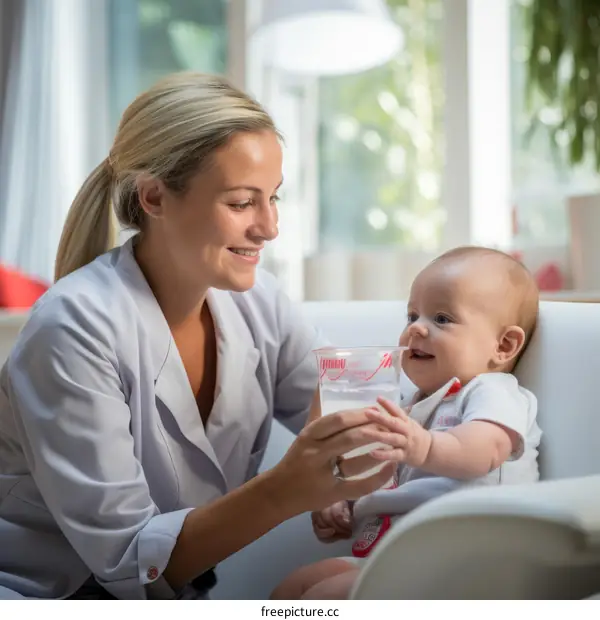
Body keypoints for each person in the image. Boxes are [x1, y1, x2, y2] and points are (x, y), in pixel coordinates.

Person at [0, 72, 397, 600]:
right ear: (154, 197)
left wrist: (340, 467)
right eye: (240, 203)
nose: (269, 227)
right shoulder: (74, 327)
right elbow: (128, 562)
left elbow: (337, 390)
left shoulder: (258, 302)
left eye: (273, 198)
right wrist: (291, 488)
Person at [271, 246, 542, 600]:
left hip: (470, 563)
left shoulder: (491, 391)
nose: (416, 329)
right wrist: (343, 501)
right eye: (412, 315)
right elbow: (387, 479)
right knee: (295, 588)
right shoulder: (412, 406)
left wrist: (424, 446)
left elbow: (486, 449)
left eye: (442, 319)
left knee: (325, 598)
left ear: (503, 345)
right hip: (400, 557)